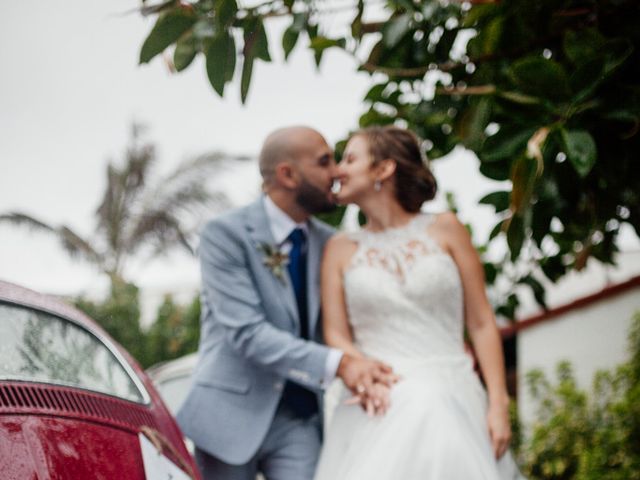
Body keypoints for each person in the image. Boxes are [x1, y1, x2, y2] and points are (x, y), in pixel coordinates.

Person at [176, 126, 396, 480]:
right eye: (325, 161)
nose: (337, 171)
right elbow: (246, 332)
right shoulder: (225, 234)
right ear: (288, 174)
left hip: (300, 417)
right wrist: (341, 365)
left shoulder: (331, 243)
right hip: (229, 413)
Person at [313, 126, 524, 479]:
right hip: (382, 398)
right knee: (422, 405)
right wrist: (363, 375)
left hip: (455, 389)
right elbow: (335, 334)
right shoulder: (339, 249)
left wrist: (499, 404)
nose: (338, 171)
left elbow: (482, 323)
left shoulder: (446, 228)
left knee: (435, 409)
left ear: (383, 169)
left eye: (350, 159)